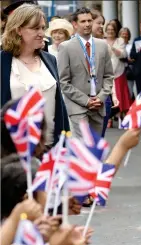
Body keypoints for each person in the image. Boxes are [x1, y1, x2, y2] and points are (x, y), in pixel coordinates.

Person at [0, 3, 70, 147]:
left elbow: (60, 107)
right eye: (35, 28)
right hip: (13, 152)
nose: (42, 33)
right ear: (18, 29)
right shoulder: (3, 61)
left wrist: (64, 144)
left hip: (50, 148)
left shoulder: (50, 60)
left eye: (43, 28)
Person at [58, 7, 114, 139]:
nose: (87, 24)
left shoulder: (102, 45)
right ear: (75, 24)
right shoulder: (66, 47)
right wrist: (86, 101)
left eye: (90, 20)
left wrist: (101, 97)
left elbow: (108, 76)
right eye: (83, 21)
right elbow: (63, 82)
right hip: (78, 107)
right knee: (83, 148)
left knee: (96, 149)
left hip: (98, 106)